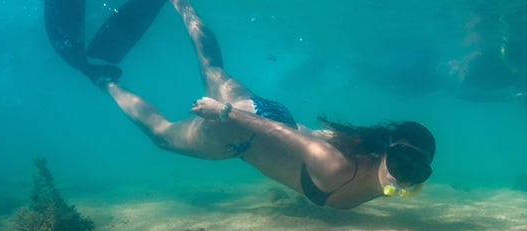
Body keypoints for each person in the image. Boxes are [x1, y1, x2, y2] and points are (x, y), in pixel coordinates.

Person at [44, 0, 436, 209]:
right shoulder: (339, 168)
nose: (403, 179)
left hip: (269, 110)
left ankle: (182, 4)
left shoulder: (367, 150)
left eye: (417, 174)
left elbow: (299, 131)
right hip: (241, 133)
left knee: (212, 68)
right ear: (390, 152)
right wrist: (224, 114)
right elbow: (280, 135)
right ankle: (104, 79)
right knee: (162, 136)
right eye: (402, 167)